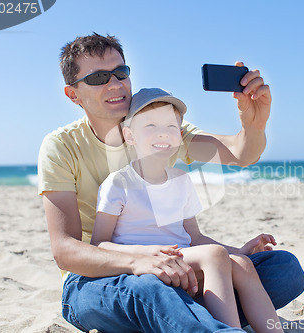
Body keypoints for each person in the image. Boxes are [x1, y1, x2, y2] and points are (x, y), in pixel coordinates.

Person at [38, 33, 304, 332]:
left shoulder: (159, 125)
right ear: (73, 94)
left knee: (283, 270)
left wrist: (253, 123)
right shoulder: (62, 145)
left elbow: (240, 153)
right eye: (99, 77)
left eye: (120, 73)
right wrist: (139, 263)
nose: (115, 84)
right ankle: (194, 318)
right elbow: (65, 250)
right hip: (100, 277)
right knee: (149, 291)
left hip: (180, 263)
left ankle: (183, 317)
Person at [90, 88, 284, 332]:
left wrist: (240, 251)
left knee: (243, 264)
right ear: (129, 135)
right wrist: (147, 253)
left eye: (170, 127)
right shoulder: (119, 183)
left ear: (180, 135)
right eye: (150, 126)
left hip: (184, 259)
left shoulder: (181, 180)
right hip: (144, 267)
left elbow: (195, 238)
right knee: (213, 255)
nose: (163, 133)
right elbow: (100, 244)